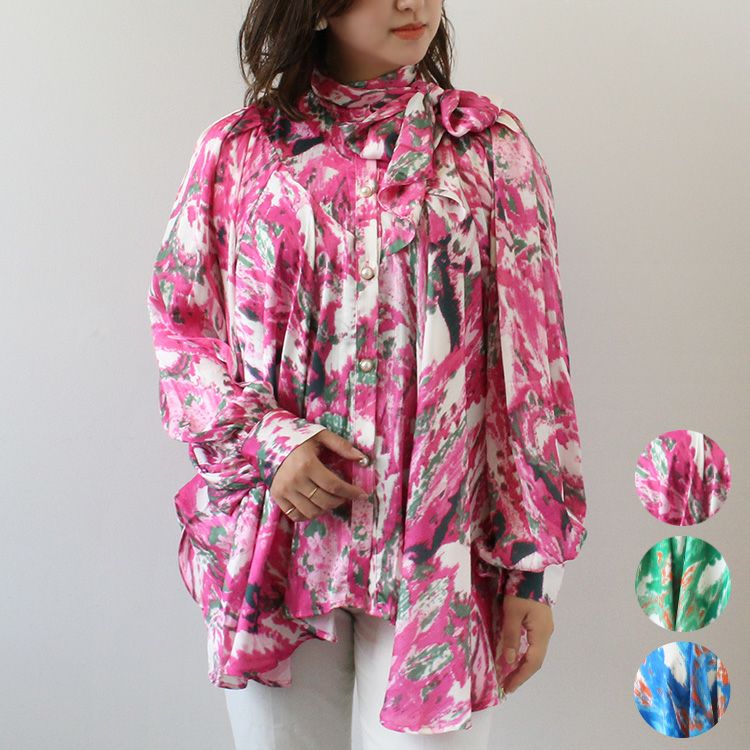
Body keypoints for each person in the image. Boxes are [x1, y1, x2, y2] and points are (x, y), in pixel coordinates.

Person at [146, 0, 588, 748]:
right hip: (277, 542)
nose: (413, 3)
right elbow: (180, 327)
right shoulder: (240, 151)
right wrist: (268, 442)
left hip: (439, 558)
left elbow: (535, 367)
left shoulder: (488, 150)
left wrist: (534, 569)